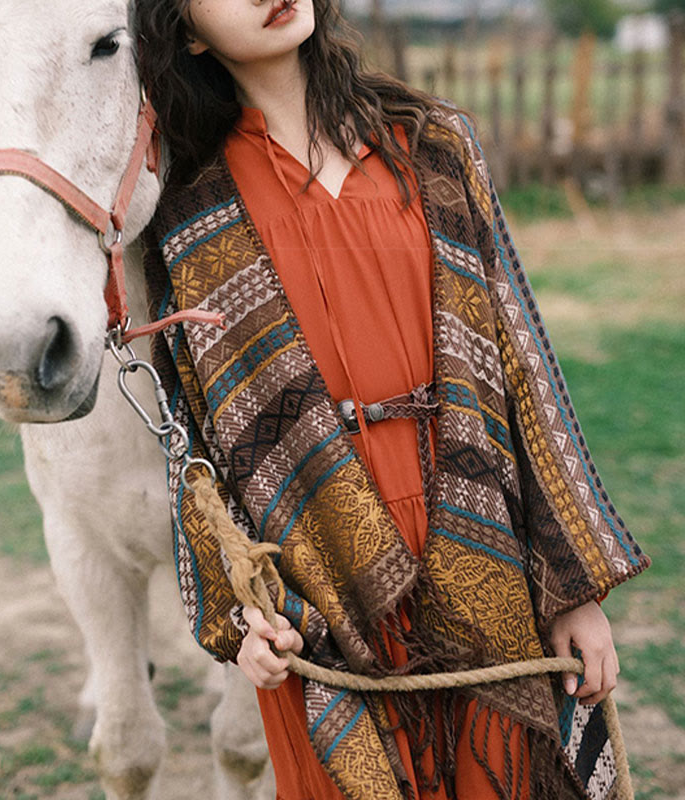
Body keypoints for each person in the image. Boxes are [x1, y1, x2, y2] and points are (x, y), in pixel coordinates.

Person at [135, 0, 650, 797]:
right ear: (190, 30)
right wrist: (237, 615)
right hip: (320, 565)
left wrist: (571, 586)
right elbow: (189, 435)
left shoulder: (432, 140)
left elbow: (520, 363)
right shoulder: (184, 201)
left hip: (476, 530)